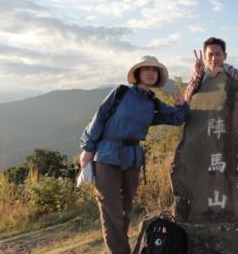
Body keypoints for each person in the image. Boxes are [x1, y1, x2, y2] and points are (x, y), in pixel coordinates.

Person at [79, 56, 189, 254]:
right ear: (137, 73)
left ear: (157, 77)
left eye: (154, 70)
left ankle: (117, 250)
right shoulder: (120, 93)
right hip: (106, 155)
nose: (150, 72)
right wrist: (88, 148)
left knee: (124, 211)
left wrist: (181, 105)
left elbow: (176, 118)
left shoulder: (152, 103)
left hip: (132, 158)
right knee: (112, 212)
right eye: (145, 69)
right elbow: (100, 116)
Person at [183, 37, 238, 102]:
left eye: (217, 54)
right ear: (205, 57)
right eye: (210, 55)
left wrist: (224, 72)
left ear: (225, 56)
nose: (214, 59)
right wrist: (198, 73)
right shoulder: (201, 74)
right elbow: (187, 98)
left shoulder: (232, 71)